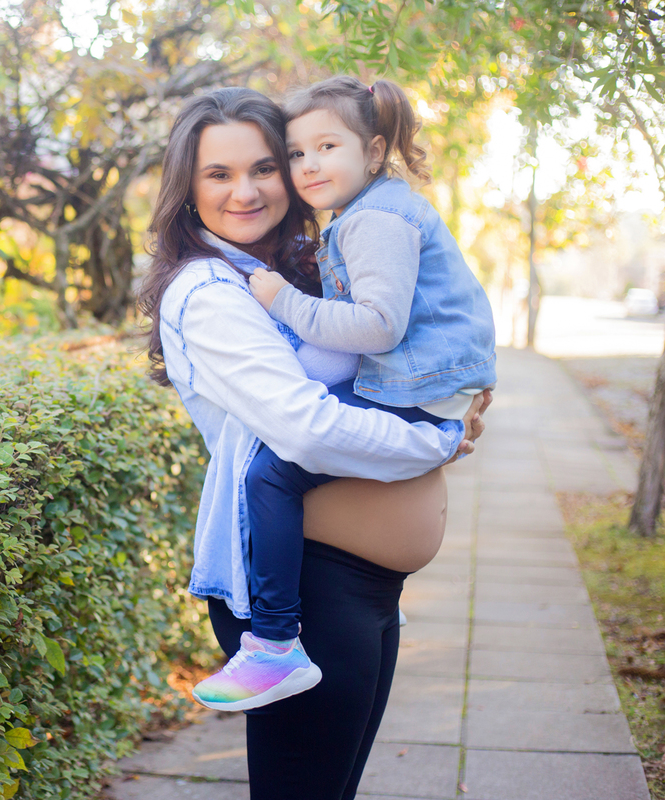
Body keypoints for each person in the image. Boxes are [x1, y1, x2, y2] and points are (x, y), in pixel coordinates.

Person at [137, 86, 489, 799]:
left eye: (265, 166)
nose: (246, 190)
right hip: (303, 597)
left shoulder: (303, 263)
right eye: (219, 174)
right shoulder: (210, 290)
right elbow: (305, 428)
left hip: (363, 590)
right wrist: (436, 442)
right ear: (187, 188)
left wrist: (450, 397)